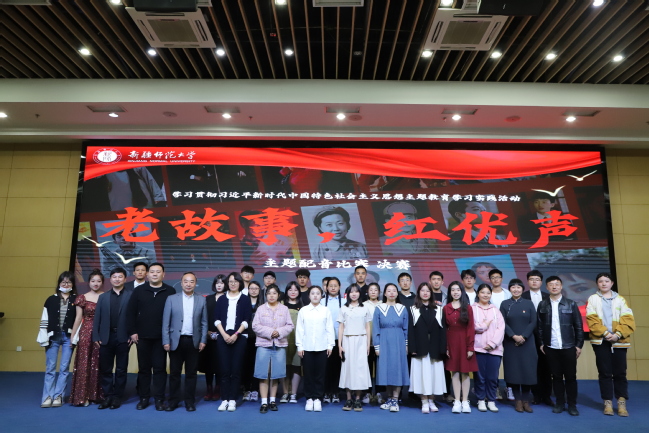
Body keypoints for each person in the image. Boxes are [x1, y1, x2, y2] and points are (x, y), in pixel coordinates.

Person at [126, 262, 176, 411]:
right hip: (142, 337)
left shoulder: (170, 291)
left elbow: (174, 314)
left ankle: (159, 399)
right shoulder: (139, 290)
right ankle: (144, 398)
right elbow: (130, 312)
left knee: (160, 369)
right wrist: (133, 331)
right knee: (144, 369)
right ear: (148, 274)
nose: (155, 274)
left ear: (163, 274)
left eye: (158, 272)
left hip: (161, 337)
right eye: (152, 272)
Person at [586, 272, 635, 417]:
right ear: (597, 284)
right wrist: (606, 334)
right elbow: (591, 320)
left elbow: (628, 320)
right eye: (600, 281)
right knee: (604, 372)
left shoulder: (620, 300)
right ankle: (607, 403)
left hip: (619, 341)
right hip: (601, 341)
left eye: (606, 281)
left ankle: (621, 403)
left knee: (620, 373)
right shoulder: (593, 299)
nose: (604, 283)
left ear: (612, 283)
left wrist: (617, 334)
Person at [537, 276, 584, 416]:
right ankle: (559, 403)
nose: (554, 287)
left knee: (570, 377)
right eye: (551, 284)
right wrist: (541, 344)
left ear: (561, 286)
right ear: (547, 287)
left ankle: (572, 405)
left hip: (569, 346)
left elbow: (578, 326)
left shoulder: (571, 304)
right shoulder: (542, 305)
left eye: (557, 284)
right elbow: (539, 327)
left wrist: (579, 345)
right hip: (551, 347)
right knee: (556, 377)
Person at [162, 272, 208, 412]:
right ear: (181, 283)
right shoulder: (171, 299)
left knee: (191, 373)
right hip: (175, 341)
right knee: (174, 373)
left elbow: (204, 322)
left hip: (193, 341)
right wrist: (166, 340)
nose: (188, 284)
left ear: (195, 283)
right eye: (186, 281)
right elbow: (166, 322)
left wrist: (203, 340)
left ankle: (189, 401)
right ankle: (173, 401)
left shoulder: (201, 300)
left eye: (191, 281)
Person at [92, 268, 133, 410]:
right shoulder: (103, 297)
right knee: (106, 369)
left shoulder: (131, 295)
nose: (117, 279)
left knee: (121, 369)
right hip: (105, 337)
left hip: (123, 337)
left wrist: (132, 334)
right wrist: (96, 336)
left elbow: (134, 317)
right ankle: (107, 396)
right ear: (110, 279)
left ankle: (117, 397)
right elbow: (97, 318)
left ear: (125, 279)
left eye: (120, 277)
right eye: (114, 277)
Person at [37, 271, 78, 408]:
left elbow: (79, 321)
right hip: (52, 337)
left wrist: (75, 338)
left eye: (69, 282)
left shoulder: (76, 300)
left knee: (64, 368)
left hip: (68, 338)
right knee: (50, 367)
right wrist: (43, 337)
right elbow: (44, 318)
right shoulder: (51, 299)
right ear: (59, 283)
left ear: (73, 284)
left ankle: (58, 396)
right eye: (63, 282)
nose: (66, 284)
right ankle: (47, 396)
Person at [253, 285, 295, 414]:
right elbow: (255, 326)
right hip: (263, 345)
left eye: (274, 293)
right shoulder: (261, 308)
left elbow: (290, 325)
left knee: (275, 375)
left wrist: (279, 332)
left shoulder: (284, 309)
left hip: (279, 345)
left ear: (278, 295)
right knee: (263, 374)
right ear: (266, 295)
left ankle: (272, 401)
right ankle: (264, 402)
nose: (271, 296)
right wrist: (270, 332)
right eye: (269, 293)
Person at [215, 272, 253, 412]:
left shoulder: (245, 299)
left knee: (236, 370)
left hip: (239, 337)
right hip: (223, 336)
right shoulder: (222, 299)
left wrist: (236, 334)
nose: (233, 283)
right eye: (230, 281)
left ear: (240, 283)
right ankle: (224, 399)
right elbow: (216, 319)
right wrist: (224, 334)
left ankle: (232, 399)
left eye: (236, 281)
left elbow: (246, 320)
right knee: (224, 370)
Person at [500, 279, 537, 413]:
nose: (516, 290)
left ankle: (526, 400)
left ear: (522, 289)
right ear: (509, 289)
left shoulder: (528, 303)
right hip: (511, 343)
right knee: (514, 371)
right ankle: (518, 401)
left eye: (518, 287)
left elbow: (533, 321)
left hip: (528, 342)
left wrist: (524, 336)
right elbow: (502, 322)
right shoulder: (505, 304)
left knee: (527, 371)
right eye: (513, 287)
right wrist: (513, 336)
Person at [296, 286, 336, 412]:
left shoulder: (325, 310)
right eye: (312, 293)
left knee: (320, 374)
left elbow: (329, 328)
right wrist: (299, 346)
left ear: (321, 296)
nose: (315, 296)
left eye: (318, 293)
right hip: (306, 347)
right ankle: (309, 398)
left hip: (322, 347)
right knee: (308, 374)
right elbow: (300, 329)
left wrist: (330, 345)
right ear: (309, 296)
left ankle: (318, 398)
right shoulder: (303, 310)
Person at [408, 282, 447, 414]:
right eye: (422, 290)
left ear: (431, 293)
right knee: (421, 375)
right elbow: (411, 330)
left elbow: (443, 331)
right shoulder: (413, 309)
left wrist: (443, 348)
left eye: (428, 291)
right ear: (418, 292)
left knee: (434, 375)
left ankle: (432, 400)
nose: (425, 293)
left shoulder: (439, 309)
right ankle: (424, 400)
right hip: (420, 348)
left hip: (435, 348)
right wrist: (412, 348)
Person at [69, 269, 104, 406]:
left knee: (98, 363)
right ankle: (82, 396)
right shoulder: (82, 297)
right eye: (93, 281)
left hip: (101, 332)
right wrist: (73, 336)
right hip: (85, 332)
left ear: (102, 283)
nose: (96, 283)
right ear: (89, 282)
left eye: (99, 281)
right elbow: (78, 318)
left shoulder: (106, 296)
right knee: (84, 363)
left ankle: (96, 395)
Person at [373, 283, 409, 413]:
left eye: (394, 290)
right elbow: (375, 329)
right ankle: (389, 398)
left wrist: (406, 344)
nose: (392, 293)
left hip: (399, 341)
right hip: (384, 341)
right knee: (386, 370)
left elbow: (406, 328)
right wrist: (377, 346)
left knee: (397, 369)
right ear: (385, 293)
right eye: (389, 291)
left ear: (397, 293)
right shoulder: (379, 308)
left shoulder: (402, 308)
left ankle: (395, 399)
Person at [443, 281, 477, 414]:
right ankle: (457, 400)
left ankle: (465, 400)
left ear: (462, 292)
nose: (455, 292)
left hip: (464, 341)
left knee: (465, 372)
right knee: (455, 372)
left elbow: (471, 328)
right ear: (450, 292)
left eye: (458, 290)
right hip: (452, 342)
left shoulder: (467, 308)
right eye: (453, 290)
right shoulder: (446, 308)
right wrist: (446, 346)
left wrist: (470, 347)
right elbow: (444, 329)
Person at [338, 285, 372, 412]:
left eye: (356, 292)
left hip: (361, 340)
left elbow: (367, 327)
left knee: (360, 370)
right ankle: (348, 398)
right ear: (347, 294)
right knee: (348, 369)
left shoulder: (365, 308)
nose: (354, 294)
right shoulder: (344, 308)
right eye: (351, 292)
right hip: (347, 340)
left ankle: (358, 398)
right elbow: (341, 327)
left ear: (360, 294)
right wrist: (339, 345)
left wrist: (368, 344)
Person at [472, 284, 505, 413]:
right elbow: (471, 327)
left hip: (494, 349)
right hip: (478, 348)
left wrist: (492, 343)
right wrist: (483, 326)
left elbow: (501, 329)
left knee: (492, 377)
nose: (485, 295)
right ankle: (480, 400)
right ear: (478, 294)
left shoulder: (496, 310)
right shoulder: (472, 309)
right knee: (479, 377)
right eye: (482, 292)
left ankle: (491, 400)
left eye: (488, 293)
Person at [522, 270, 552, 406]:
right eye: (532, 279)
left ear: (541, 282)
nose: (534, 281)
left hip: (546, 336)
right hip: (528, 336)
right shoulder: (523, 296)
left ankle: (547, 395)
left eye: (537, 279)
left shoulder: (548, 296)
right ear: (527, 281)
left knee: (546, 366)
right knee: (532, 367)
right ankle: (536, 395)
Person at [198, 274, 226, 402]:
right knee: (208, 365)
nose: (219, 285)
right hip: (208, 336)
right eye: (217, 283)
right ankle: (209, 388)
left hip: (223, 336)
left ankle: (218, 389)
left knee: (220, 364)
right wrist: (207, 332)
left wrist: (221, 333)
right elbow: (203, 317)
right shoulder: (207, 299)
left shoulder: (228, 299)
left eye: (222, 283)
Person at [281, 281, 303, 404]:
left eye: (295, 290)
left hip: (298, 340)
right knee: (284, 366)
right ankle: (285, 392)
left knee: (296, 366)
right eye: (290, 290)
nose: (293, 292)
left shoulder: (303, 306)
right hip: (283, 339)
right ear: (286, 291)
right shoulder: (281, 305)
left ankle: (293, 393)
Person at [322, 277, 343, 403]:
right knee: (325, 367)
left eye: (335, 285)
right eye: (331, 285)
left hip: (340, 340)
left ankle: (336, 392)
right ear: (326, 287)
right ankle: (326, 392)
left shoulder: (345, 302)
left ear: (339, 287)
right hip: (324, 340)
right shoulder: (321, 301)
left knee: (338, 366)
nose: (333, 288)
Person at [242, 281, 263, 402]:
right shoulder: (243, 302)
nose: (254, 290)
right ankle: (246, 389)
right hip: (245, 337)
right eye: (251, 288)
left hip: (259, 338)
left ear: (259, 290)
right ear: (248, 290)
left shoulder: (263, 304)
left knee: (257, 364)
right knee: (246, 364)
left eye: (256, 288)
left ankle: (255, 389)